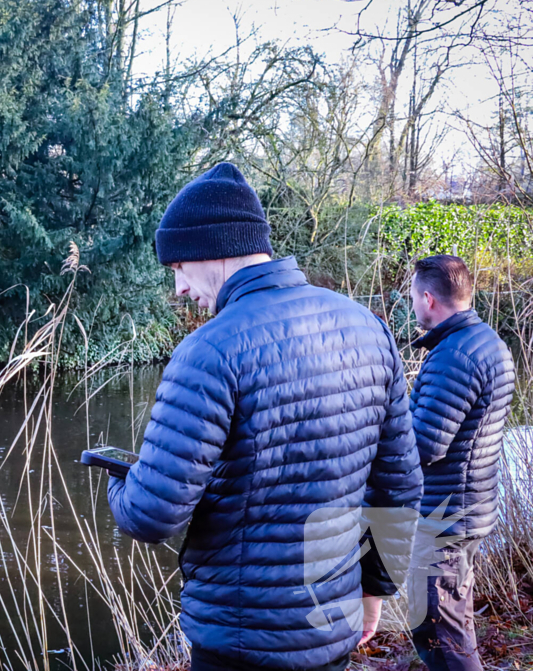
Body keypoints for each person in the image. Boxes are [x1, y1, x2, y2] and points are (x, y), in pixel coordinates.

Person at [107, 162, 423, 671]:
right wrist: (374, 590)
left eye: (177, 269)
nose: (180, 288)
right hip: (331, 626)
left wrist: (119, 480)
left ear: (207, 249)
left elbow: (151, 515)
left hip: (240, 641)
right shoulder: (369, 328)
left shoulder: (209, 351)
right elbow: (400, 486)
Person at [407, 255, 515, 671]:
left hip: (444, 518)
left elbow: (425, 445)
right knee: (453, 622)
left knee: (438, 631)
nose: (414, 305)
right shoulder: (488, 341)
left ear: (429, 298)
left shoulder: (454, 355)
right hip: (467, 509)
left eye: (415, 297)